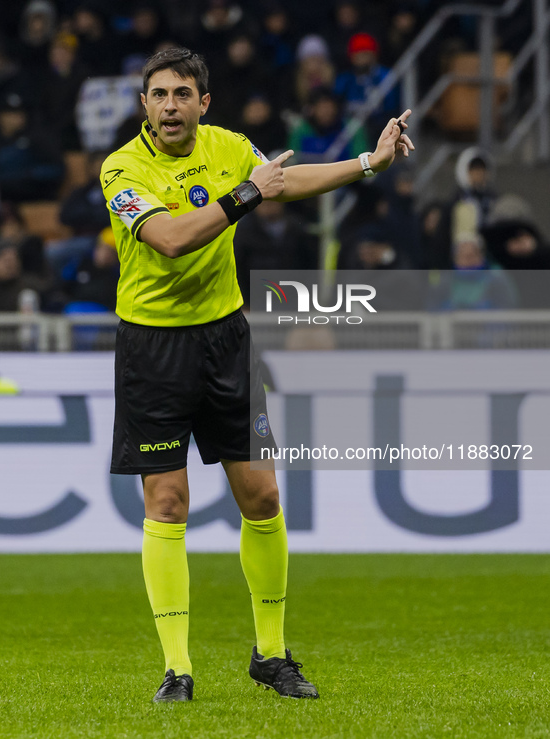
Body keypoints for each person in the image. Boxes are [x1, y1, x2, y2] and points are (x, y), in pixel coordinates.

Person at [100, 46, 413, 704]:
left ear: (202, 102)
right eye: (158, 95)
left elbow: (284, 181)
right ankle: (177, 669)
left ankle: (269, 654)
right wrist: (247, 193)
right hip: (152, 348)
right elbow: (171, 238)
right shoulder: (121, 168)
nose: (170, 106)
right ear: (143, 105)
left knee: (263, 498)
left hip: (225, 340)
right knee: (167, 503)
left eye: (182, 94)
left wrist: (367, 162)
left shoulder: (226, 145)